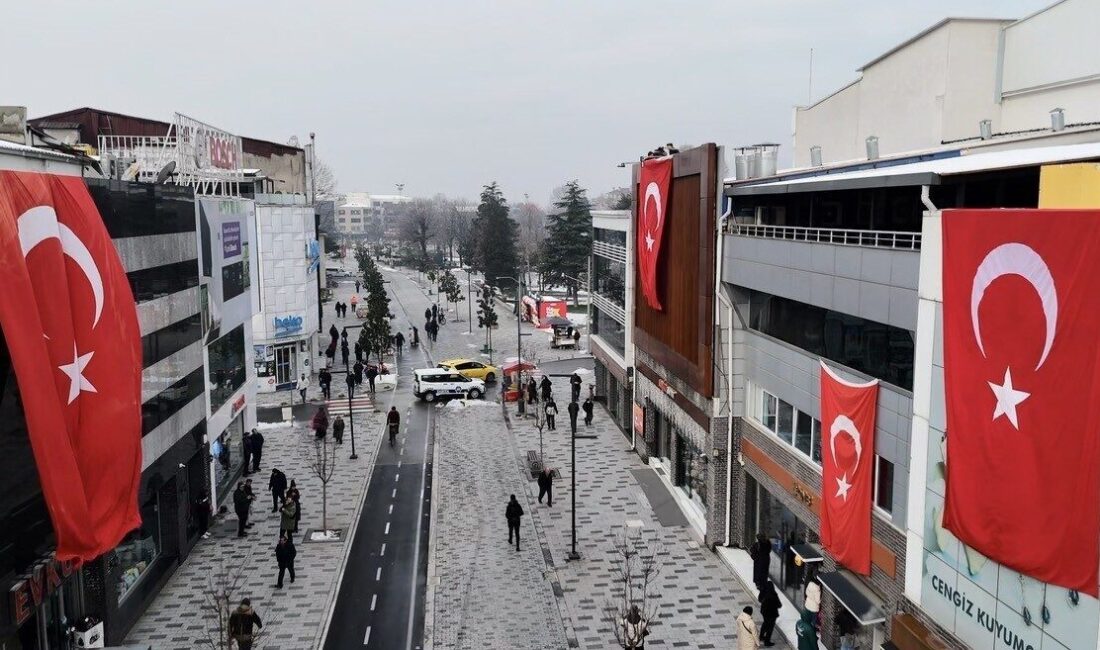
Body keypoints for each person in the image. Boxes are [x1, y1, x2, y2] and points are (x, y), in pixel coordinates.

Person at [759, 580, 782, 647]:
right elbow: (779, 605)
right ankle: (767, 641)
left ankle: (761, 636)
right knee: (770, 628)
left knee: (765, 624)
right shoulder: (773, 595)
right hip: (772, 614)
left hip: (764, 613)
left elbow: (760, 599)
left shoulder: (763, 592)